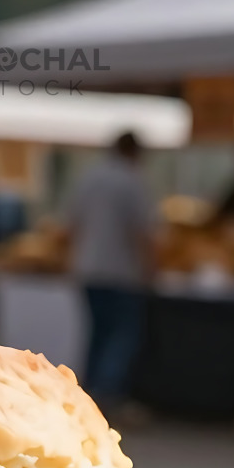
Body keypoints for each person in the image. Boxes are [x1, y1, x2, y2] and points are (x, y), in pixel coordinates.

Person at [66, 131, 155, 409]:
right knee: (121, 336)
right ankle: (107, 393)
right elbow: (142, 232)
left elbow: (71, 224)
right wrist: (150, 269)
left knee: (97, 333)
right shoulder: (132, 181)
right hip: (121, 272)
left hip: (89, 268)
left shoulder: (89, 177)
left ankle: (90, 393)